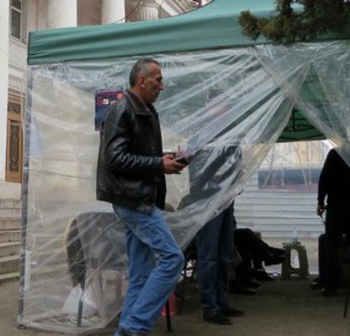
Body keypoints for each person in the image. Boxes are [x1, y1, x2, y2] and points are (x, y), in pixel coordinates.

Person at [96, 58, 187, 336]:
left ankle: (126, 332)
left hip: (137, 198)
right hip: (133, 200)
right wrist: (158, 164)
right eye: (158, 79)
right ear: (141, 80)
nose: (163, 85)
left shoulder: (145, 110)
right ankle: (134, 328)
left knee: (140, 275)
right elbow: (114, 159)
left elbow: (136, 155)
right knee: (173, 260)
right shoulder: (123, 109)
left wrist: (165, 159)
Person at [188, 144, 244, 325]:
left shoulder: (232, 140)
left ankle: (221, 301)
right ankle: (210, 307)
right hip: (208, 204)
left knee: (224, 254)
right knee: (209, 256)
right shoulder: (203, 138)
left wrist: (235, 183)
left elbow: (238, 166)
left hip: (226, 201)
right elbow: (197, 175)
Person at [316, 146, 350, 296]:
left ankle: (331, 286)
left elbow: (324, 178)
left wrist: (320, 202)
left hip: (336, 206)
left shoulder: (334, 154)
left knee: (332, 246)